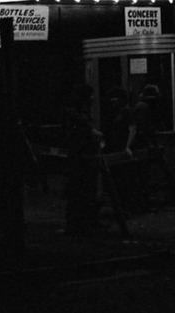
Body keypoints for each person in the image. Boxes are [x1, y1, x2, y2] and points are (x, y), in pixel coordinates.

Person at [63, 83, 104, 235]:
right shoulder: (78, 114)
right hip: (82, 157)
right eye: (91, 95)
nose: (93, 98)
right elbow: (84, 129)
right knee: (83, 189)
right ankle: (81, 223)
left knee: (81, 190)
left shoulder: (76, 112)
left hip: (80, 156)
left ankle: (81, 222)